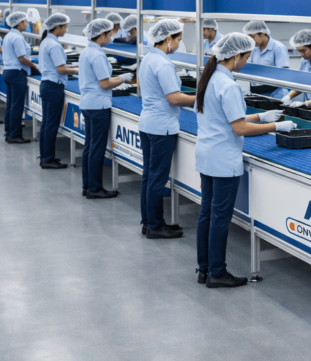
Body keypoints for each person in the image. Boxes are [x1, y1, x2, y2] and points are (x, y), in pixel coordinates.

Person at [194, 33, 295, 287]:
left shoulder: (210, 78)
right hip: (223, 159)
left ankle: (204, 268)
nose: (247, 61)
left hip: (207, 154)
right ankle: (217, 273)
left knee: (206, 212)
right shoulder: (229, 86)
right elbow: (239, 128)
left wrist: (260, 117)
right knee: (219, 217)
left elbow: (227, 120)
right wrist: (275, 126)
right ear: (236, 55)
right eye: (247, 57)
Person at [138, 19, 194, 240]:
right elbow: (174, 98)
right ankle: (155, 225)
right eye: (178, 39)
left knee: (149, 176)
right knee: (157, 178)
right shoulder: (163, 64)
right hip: (162, 127)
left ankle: (149, 221)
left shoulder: (149, 58)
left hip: (148, 123)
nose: (179, 44)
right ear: (168, 38)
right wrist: (201, 99)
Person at [78, 18, 134, 199]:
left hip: (88, 103)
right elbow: (104, 83)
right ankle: (94, 188)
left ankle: (87, 186)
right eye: (109, 34)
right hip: (98, 105)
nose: (111, 36)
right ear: (101, 34)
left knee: (89, 146)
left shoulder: (87, 52)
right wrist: (123, 78)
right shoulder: (97, 55)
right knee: (96, 148)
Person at [37, 13, 77, 169]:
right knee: (51, 124)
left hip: (46, 84)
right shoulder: (54, 45)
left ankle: (45, 157)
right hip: (54, 87)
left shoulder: (46, 42)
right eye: (65, 27)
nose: (66, 30)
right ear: (58, 27)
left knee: (46, 123)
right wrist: (76, 70)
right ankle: (48, 159)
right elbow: (61, 69)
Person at [1, 11, 39, 144]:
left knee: (11, 105)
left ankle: (9, 132)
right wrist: (36, 66)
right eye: (25, 22)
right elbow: (22, 58)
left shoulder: (10, 35)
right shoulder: (16, 38)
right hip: (16, 73)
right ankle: (15, 135)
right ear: (19, 23)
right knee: (17, 106)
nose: (27, 24)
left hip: (9, 72)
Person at [243, 19, 289, 97]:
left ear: (262, 34)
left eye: (253, 37)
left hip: (275, 93)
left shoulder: (278, 48)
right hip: (257, 92)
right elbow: (250, 69)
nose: (251, 41)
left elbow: (283, 74)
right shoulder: (253, 48)